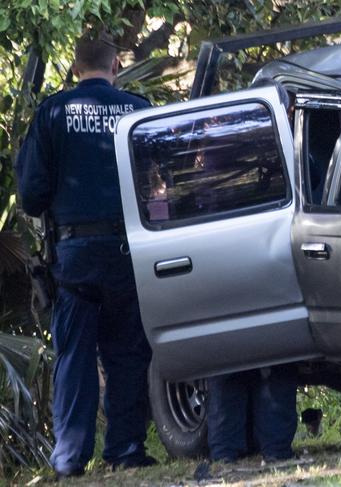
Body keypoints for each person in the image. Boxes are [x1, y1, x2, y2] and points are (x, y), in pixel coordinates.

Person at [15, 30, 154, 478]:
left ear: (75, 68)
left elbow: (31, 196)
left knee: (74, 358)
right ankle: (126, 449)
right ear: (116, 67)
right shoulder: (138, 111)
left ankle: (70, 459)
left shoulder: (52, 113)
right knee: (128, 353)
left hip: (74, 256)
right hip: (131, 250)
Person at [206, 79, 298, 465]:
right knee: (275, 357)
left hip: (219, 265)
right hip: (268, 258)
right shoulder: (280, 143)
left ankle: (227, 452)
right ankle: (273, 449)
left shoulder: (213, 149)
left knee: (226, 360)